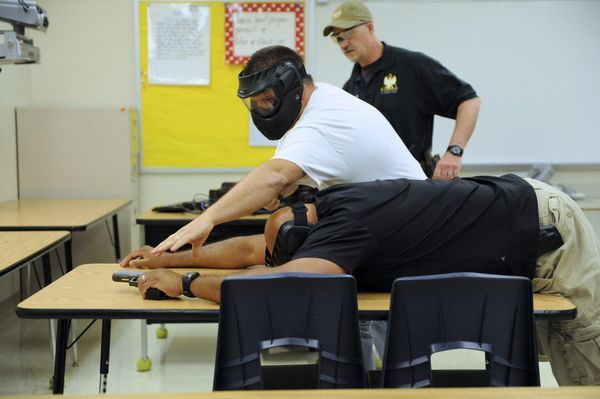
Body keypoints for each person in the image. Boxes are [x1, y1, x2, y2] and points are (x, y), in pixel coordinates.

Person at [123, 174, 600, 386]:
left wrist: (183, 282)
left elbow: (279, 283)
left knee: (581, 359)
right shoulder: (324, 204)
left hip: (543, 231)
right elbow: (253, 249)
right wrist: (166, 255)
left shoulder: (345, 231)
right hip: (512, 221)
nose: (263, 255)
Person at [150, 45, 424, 261]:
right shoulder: (319, 104)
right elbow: (281, 181)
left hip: (408, 230)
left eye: (269, 100)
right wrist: (275, 192)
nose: (263, 111)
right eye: (256, 104)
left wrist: (207, 218)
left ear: (293, 87)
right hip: (391, 220)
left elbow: (276, 176)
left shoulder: (322, 121)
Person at [323, 0, 481, 179]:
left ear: (369, 28)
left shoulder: (412, 67)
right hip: (371, 187)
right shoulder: (351, 87)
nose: (344, 44)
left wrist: (454, 151)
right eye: (338, 38)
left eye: (349, 33)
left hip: (415, 185)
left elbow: (469, 101)